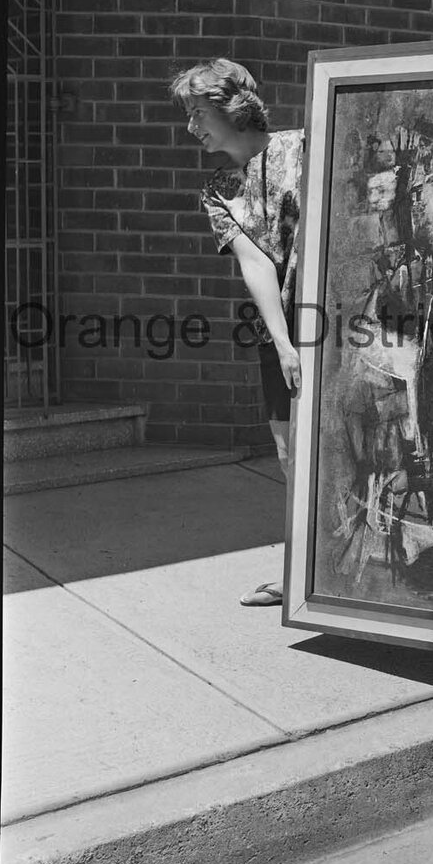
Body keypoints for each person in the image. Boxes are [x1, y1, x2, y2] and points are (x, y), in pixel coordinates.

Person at [171, 58, 304, 607]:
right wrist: (284, 341)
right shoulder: (219, 190)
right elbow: (257, 265)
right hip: (285, 330)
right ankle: (301, 575)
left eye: (199, 112)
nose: (191, 127)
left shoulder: (305, 149)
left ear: (232, 108)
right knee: (291, 454)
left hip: (351, 323)